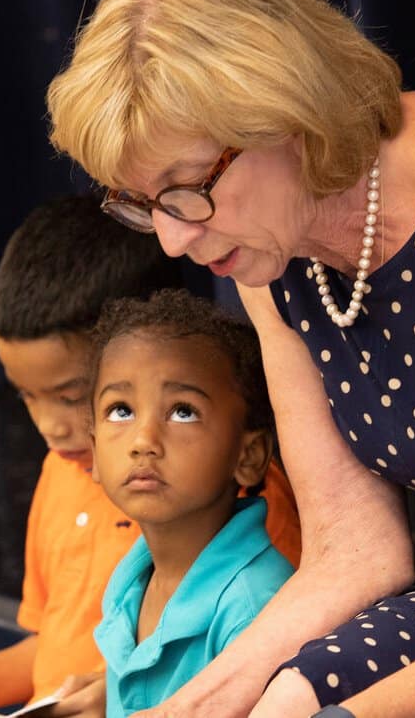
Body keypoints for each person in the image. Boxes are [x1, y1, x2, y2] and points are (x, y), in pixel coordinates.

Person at [45, 0, 415, 716]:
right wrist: (190, 704)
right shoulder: (268, 247)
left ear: (287, 118)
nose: (176, 239)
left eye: (186, 187)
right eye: (147, 206)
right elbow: (355, 552)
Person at [0, 195, 302, 716]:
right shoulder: (65, 480)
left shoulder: (247, 517)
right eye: (26, 396)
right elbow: (67, 644)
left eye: (71, 395)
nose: (51, 428)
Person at [89, 288, 295, 717]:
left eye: (183, 411)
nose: (143, 441)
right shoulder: (128, 586)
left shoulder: (253, 607)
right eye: (121, 410)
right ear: (93, 453)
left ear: (248, 455)